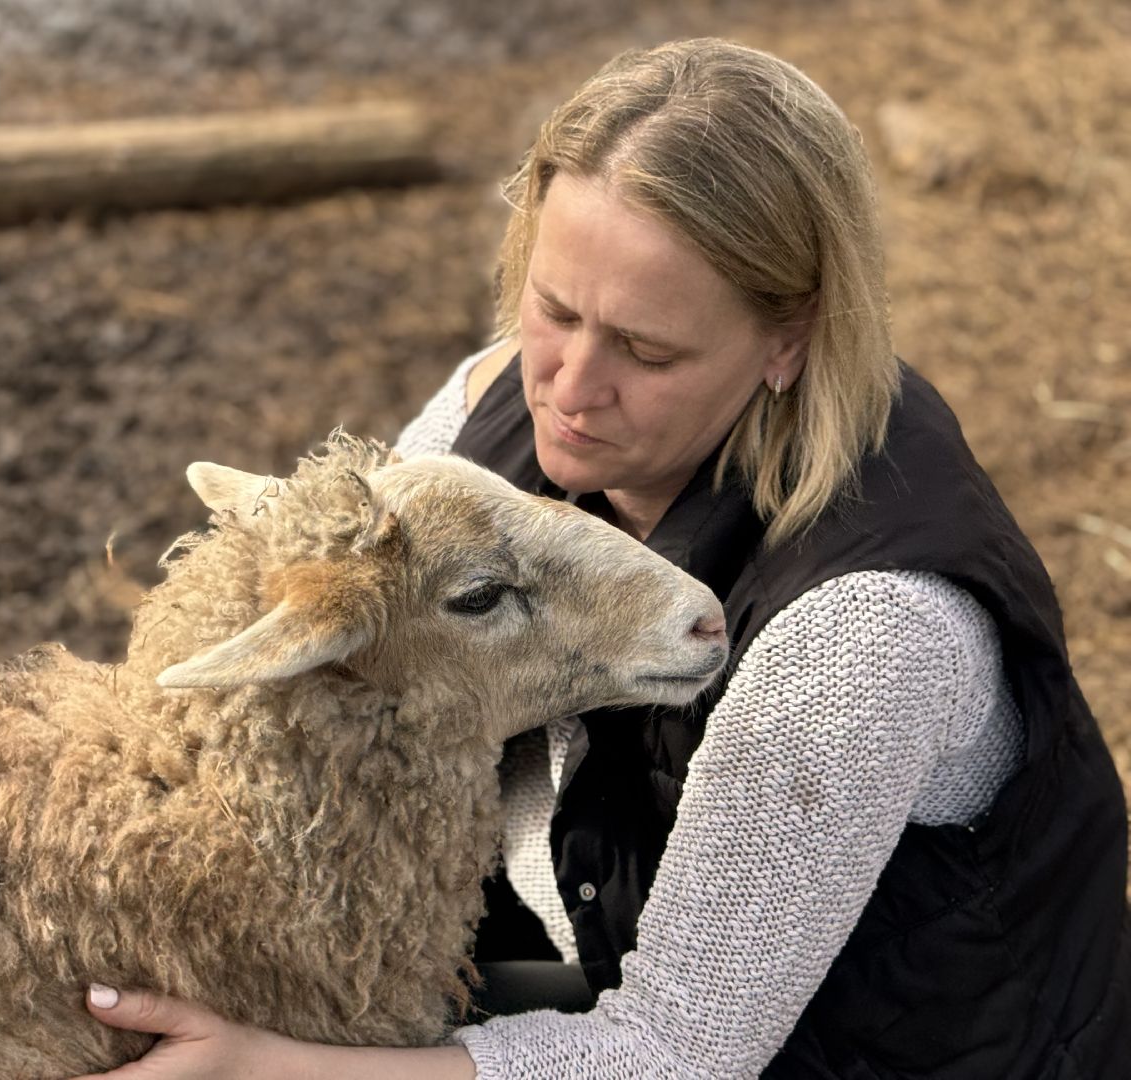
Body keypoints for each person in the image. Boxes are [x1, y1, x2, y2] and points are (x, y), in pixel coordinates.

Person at [72, 38, 1130, 1078]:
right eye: (556, 308)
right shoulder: (487, 418)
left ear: (789, 339)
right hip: (575, 950)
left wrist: (265, 1068)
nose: (569, 387)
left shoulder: (859, 635)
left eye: (647, 349)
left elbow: (673, 1053)